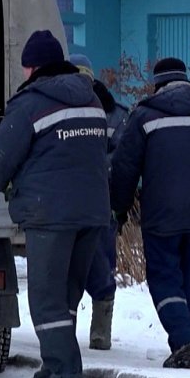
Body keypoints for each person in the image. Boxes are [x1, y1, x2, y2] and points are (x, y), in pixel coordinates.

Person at [0, 30, 109, 378]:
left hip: (51, 215)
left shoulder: (31, 104)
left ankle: (64, 372)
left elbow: (2, 154)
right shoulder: (91, 100)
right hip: (93, 214)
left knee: (47, 297)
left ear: (32, 67)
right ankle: (56, 365)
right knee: (67, 295)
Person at [110, 57, 190, 369]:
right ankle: (188, 339)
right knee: (189, 276)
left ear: (158, 84)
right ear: (186, 79)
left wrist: (119, 208)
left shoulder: (144, 116)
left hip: (161, 212)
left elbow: (125, 169)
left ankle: (183, 339)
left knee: (164, 276)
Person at [69, 53, 129, 350]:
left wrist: (91, 166)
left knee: (101, 266)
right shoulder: (58, 107)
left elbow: (122, 156)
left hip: (102, 202)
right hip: (66, 204)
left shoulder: (115, 115)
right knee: (67, 269)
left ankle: (100, 331)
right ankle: (64, 332)